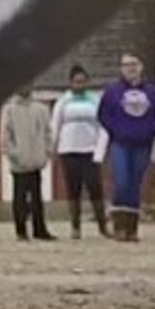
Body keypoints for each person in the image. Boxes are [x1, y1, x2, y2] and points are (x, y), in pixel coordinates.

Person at [96, 53, 155, 242]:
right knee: (122, 181)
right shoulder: (113, 91)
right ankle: (119, 225)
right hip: (120, 142)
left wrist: (150, 131)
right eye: (126, 65)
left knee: (135, 184)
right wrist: (116, 131)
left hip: (143, 143)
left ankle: (132, 228)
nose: (130, 68)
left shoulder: (152, 92)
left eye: (133, 64)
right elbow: (103, 114)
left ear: (141, 67)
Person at [50, 64, 108, 238]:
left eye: (82, 82)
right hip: (69, 150)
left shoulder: (95, 100)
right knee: (73, 188)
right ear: (71, 83)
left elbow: (103, 127)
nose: (79, 85)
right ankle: (75, 227)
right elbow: (55, 126)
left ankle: (102, 226)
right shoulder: (63, 101)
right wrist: (52, 148)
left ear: (87, 82)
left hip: (90, 150)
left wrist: (100, 151)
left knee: (95, 187)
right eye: (76, 82)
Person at [0, 87, 55, 241]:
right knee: (20, 198)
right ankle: (21, 230)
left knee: (37, 197)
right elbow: (5, 137)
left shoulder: (41, 109)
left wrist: (46, 154)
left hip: (36, 160)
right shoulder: (9, 109)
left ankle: (40, 229)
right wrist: (15, 155)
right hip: (19, 163)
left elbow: (48, 133)